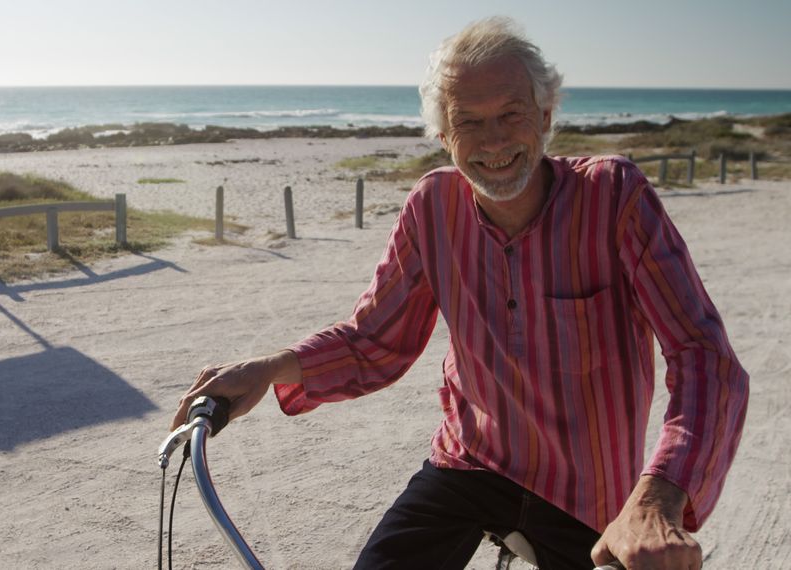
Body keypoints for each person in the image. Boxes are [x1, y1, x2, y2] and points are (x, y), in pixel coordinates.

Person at [171, 16, 748, 570]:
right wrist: (268, 369)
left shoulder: (615, 195)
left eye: (511, 113)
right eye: (467, 121)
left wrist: (658, 497)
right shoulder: (432, 206)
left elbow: (704, 355)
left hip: (591, 494)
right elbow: (377, 340)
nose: (493, 140)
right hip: (471, 462)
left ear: (546, 114)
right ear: (443, 135)